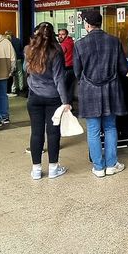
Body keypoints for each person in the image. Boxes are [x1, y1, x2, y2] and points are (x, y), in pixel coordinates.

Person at [73, 9, 128, 178]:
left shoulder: (80, 44)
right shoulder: (114, 41)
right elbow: (123, 69)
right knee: (111, 127)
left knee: (93, 129)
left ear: (87, 24)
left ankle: (98, 167)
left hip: (89, 92)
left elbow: (77, 72)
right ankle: (111, 165)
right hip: (111, 90)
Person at [25, 22, 72, 180]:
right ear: (53, 34)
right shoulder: (56, 51)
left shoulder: (29, 49)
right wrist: (65, 101)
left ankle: (36, 170)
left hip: (34, 97)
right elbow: (59, 78)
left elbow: (27, 70)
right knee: (53, 133)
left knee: (36, 133)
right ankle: (53, 168)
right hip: (53, 97)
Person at [57, 28, 76, 101]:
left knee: (63, 89)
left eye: (63, 34)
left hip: (65, 69)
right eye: (59, 34)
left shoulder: (64, 44)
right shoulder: (72, 42)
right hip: (72, 69)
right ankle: (70, 107)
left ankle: (64, 106)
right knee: (70, 89)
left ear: (67, 35)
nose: (60, 36)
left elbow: (58, 55)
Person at [5, 31, 25, 96]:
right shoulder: (18, 40)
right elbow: (21, 49)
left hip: (10, 59)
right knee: (20, 73)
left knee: (12, 74)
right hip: (18, 58)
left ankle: (14, 87)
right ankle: (21, 87)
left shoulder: (7, 41)